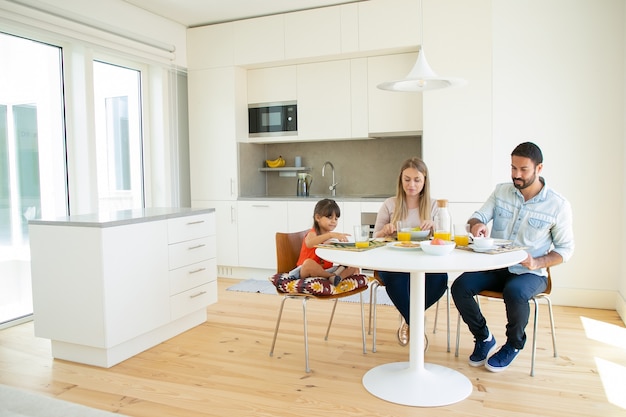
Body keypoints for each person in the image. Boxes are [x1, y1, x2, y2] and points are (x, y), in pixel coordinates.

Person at [451, 142, 574, 372]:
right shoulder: (501, 191)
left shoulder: (558, 205)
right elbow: (476, 217)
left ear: (539, 169)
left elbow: (565, 250)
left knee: (515, 292)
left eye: (523, 169)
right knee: (460, 287)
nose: (516, 175)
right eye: (513, 168)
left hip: (530, 272)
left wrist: (537, 262)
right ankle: (484, 337)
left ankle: (514, 345)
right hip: (496, 265)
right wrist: (477, 226)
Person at [373, 157, 448, 346]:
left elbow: (445, 239)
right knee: (395, 279)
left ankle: (409, 319)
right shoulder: (390, 204)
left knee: (440, 280)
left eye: (417, 180)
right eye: (407, 179)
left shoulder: (433, 205)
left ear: (424, 181)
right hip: (393, 261)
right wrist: (385, 231)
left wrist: (434, 227)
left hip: (424, 261)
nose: (411, 185)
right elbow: (374, 239)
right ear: (400, 179)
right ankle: (416, 324)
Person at [290, 198, 359, 285]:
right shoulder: (312, 233)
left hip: (326, 270)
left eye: (336, 218)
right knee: (308, 263)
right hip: (306, 271)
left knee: (354, 264)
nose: (334, 221)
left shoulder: (332, 239)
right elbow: (309, 243)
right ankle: (330, 276)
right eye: (329, 217)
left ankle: (336, 278)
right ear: (318, 218)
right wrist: (330, 235)